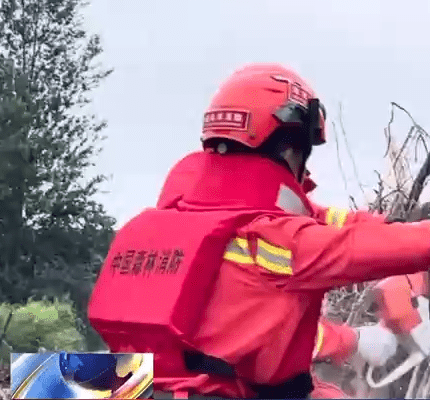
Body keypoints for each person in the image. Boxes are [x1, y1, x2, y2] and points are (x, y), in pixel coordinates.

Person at [88, 63, 430, 399]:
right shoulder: (279, 243)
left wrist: (360, 333)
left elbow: (334, 237)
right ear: (287, 143)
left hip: (135, 382)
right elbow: (348, 248)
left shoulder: (192, 215)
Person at [152, 150, 398, 398]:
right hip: (193, 387)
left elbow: (322, 218)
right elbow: (267, 337)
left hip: (128, 378)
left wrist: (388, 229)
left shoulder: (170, 234)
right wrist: (354, 340)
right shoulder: (246, 245)